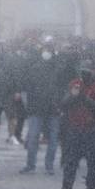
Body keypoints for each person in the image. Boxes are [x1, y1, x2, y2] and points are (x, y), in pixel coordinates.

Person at [53, 61, 95, 189]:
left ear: (94, 71)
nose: (85, 74)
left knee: (92, 164)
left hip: (91, 129)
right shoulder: (74, 83)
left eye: (88, 71)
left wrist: (84, 98)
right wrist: (73, 95)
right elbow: (63, 104)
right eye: (83, 71)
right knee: (70, 163)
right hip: (74, 128)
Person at [20, 43, 66, 175]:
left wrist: (60, 105)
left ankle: (48, 165)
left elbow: (61, 89)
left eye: (49, 50)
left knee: (52, 138)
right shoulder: (35, 68)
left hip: (53, 109)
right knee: (34, 137)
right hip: (37, 108)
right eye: (45, 50)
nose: (47, 53)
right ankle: (31, 164)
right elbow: (29, 88)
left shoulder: (58, 68)